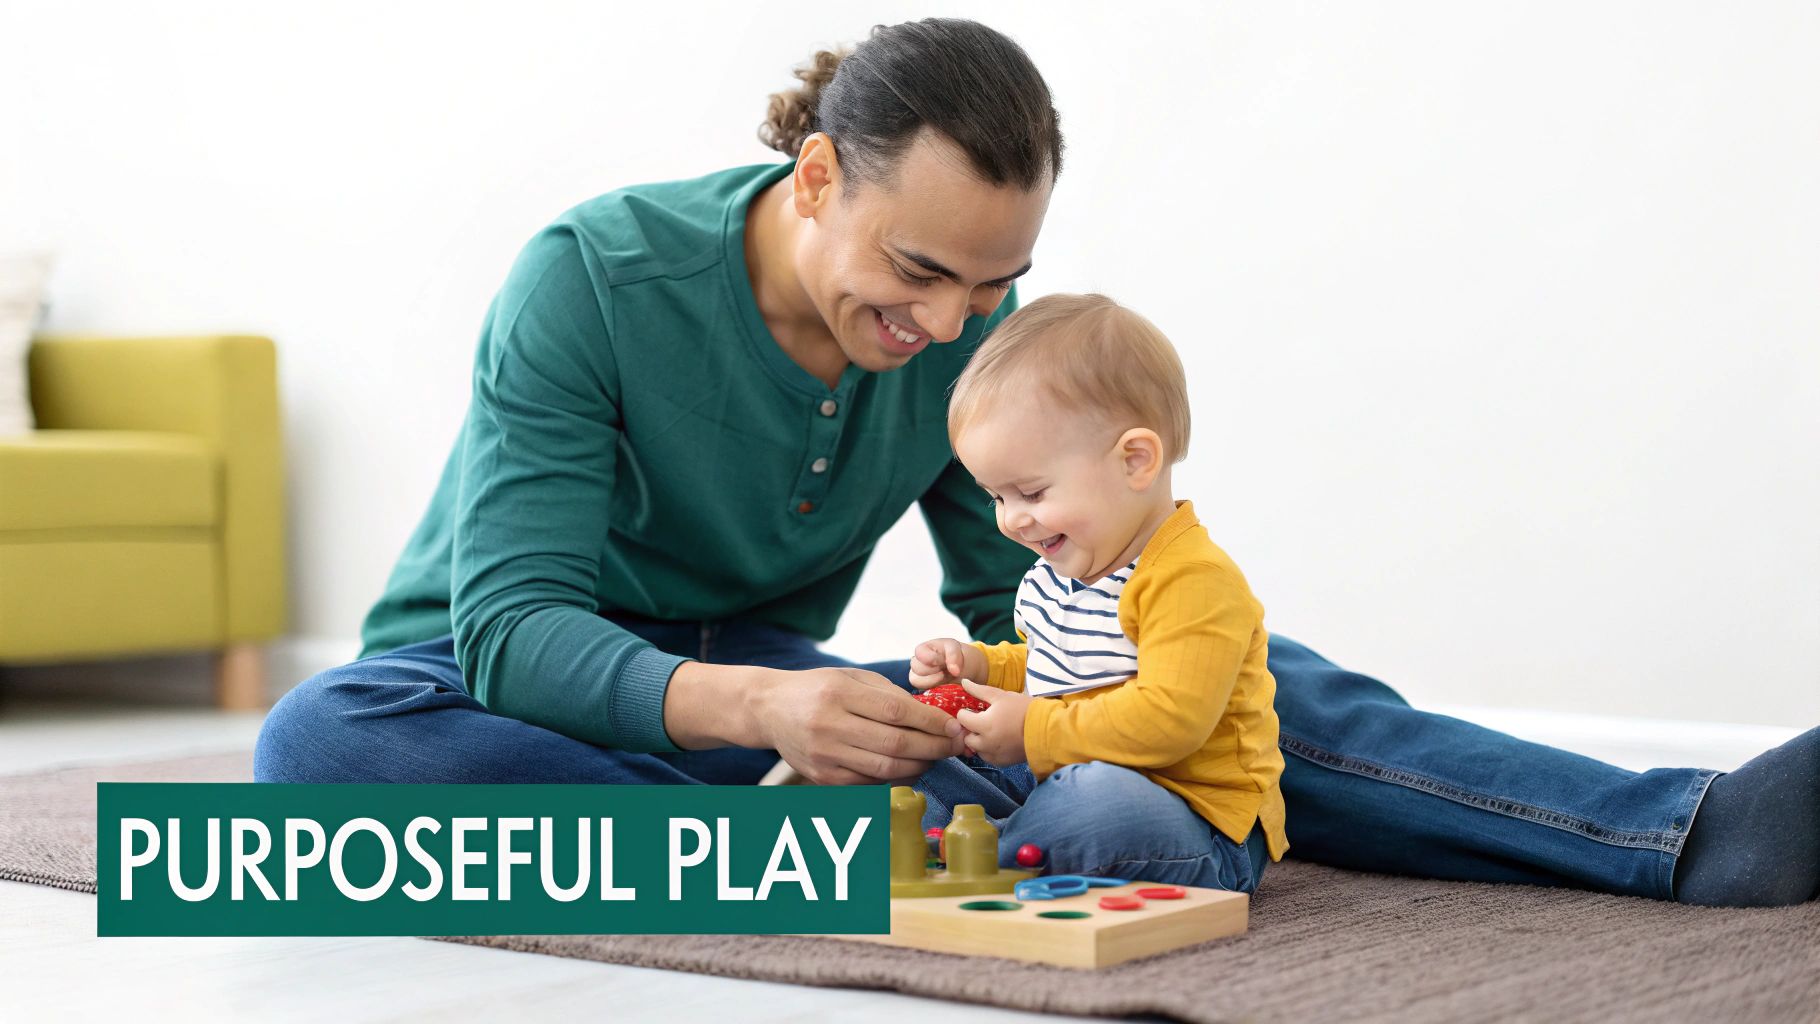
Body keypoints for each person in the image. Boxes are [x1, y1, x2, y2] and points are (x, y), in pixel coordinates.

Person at [253, 18, 1819, 908]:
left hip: (778, 717)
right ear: (814, 181)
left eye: (991, 288)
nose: (947, 321)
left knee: (1213, 661)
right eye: (919, 271)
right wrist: (763, 706)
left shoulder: (958, 334)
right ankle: (789, 851)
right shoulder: (587, 279)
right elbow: (513, 631)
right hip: (504, 703)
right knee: (324, 746)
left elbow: (1056, 592)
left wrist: (1102, 685)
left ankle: (1677, 831)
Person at [906, 293, 1286, 893]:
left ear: (1136, 461)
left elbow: (1168, 723)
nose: (1010, 521)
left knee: (1096, 797)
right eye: (995, 497)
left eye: (1030, 493)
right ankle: (985, 839)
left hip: (1192, 824)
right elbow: (1058, 669)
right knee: (917, 754)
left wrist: (1031, 730)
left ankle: (985, 852)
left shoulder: (1192, 579)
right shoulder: (1063, 569)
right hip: (1053, 780)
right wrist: (981, 666)